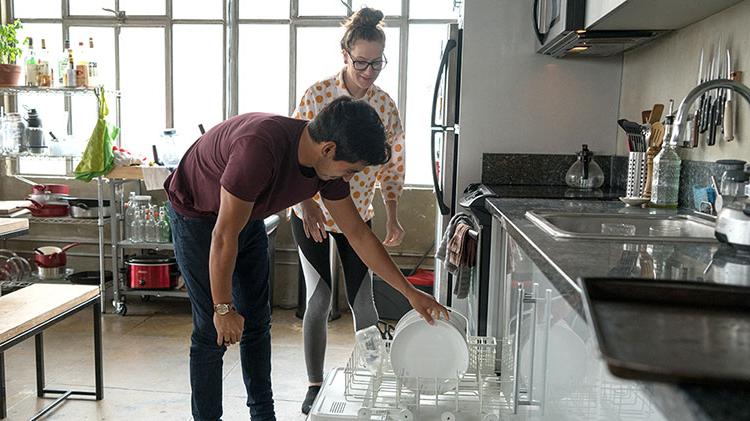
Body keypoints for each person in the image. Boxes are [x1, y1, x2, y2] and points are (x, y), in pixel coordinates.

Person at [164, 96, 448, 421]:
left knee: (257, 323)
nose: (350, 177)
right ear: (328, 149)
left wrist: (409, 292)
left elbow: (358, 234)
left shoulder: (324, 167)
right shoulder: (258, 150)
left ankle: (263, 415)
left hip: (247, 213)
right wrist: (223, 308)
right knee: (211, 331)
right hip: (198, 215)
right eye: (351, 169)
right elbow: (223, 236)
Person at [289, 7, 407, 415]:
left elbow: (393, 164)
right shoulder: (318, 95)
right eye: (362, 62)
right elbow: (296, 157)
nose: (369, 71)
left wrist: (392, 211)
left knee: (364, 301)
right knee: (318, 300)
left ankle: (370, 380)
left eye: (377, 63)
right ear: (345, 54)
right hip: (315, 212)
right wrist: (305, 204)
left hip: (357, 212)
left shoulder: (385, 105)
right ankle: (314, 384)